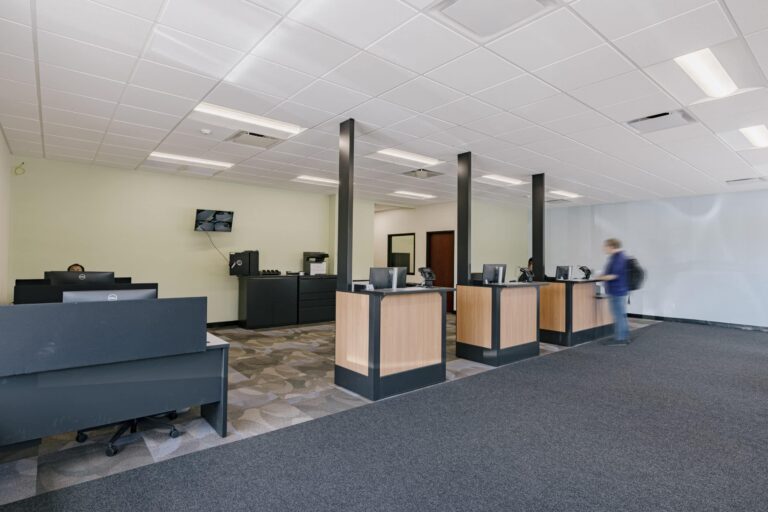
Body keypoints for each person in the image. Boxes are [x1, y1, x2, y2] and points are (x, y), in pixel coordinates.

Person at [598, 239, 629, 345]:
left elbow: (614, 275)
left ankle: (620, 339)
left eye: (605, 246)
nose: (603, 248)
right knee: (620, 315)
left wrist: (600, 277)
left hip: (617, 290)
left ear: (611, 246)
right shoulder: (618, 257)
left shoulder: (618, 258)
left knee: (618, 315)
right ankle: (623, 336)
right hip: (618, 290)